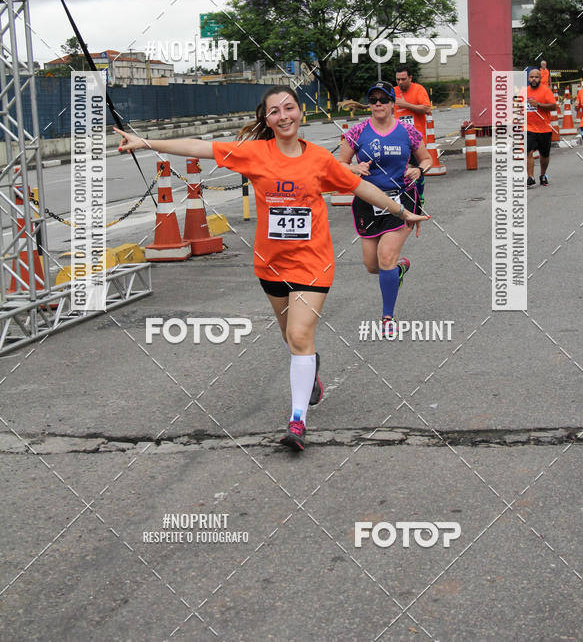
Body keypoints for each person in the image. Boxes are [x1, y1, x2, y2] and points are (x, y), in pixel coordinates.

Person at [114, 85, 429, 453]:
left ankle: (297, 420)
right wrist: (146, 141)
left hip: (313, 263)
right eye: (275, 111)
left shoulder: (319, 160)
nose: (284, 116)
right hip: (271, 264)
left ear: (300, 112)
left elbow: (359, 187)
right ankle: (310, 366)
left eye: (289, 107)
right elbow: (199, 147)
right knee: (291, 337)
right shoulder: (254, 154)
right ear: (267, 119)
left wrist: (401, 211)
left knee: (298, 335)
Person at [337, 81, 433, 329]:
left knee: (385, 256)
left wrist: (418, 170)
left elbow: (426, 158)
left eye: (383, 99)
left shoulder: (407, 132)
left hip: (402, 198)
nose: (378, 104)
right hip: (368, 201)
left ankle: (387, 318)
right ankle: (398, 271)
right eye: (373, 100)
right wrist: (354, 168)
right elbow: (339, 164)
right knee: (372, 266)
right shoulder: (357, 132)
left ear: (393, 103)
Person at [526, 67, 556, 186]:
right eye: (532, 77)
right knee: (529, 152)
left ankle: (543, 175)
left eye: (536, 77)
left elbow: (553, 106)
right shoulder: (524, 91)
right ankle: (530, 177)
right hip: (529, 127)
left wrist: (538, 104)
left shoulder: (545, 90)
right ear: (528, 78)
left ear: (540, 78)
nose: (534, 79)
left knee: (544, 155)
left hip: (544, 128)